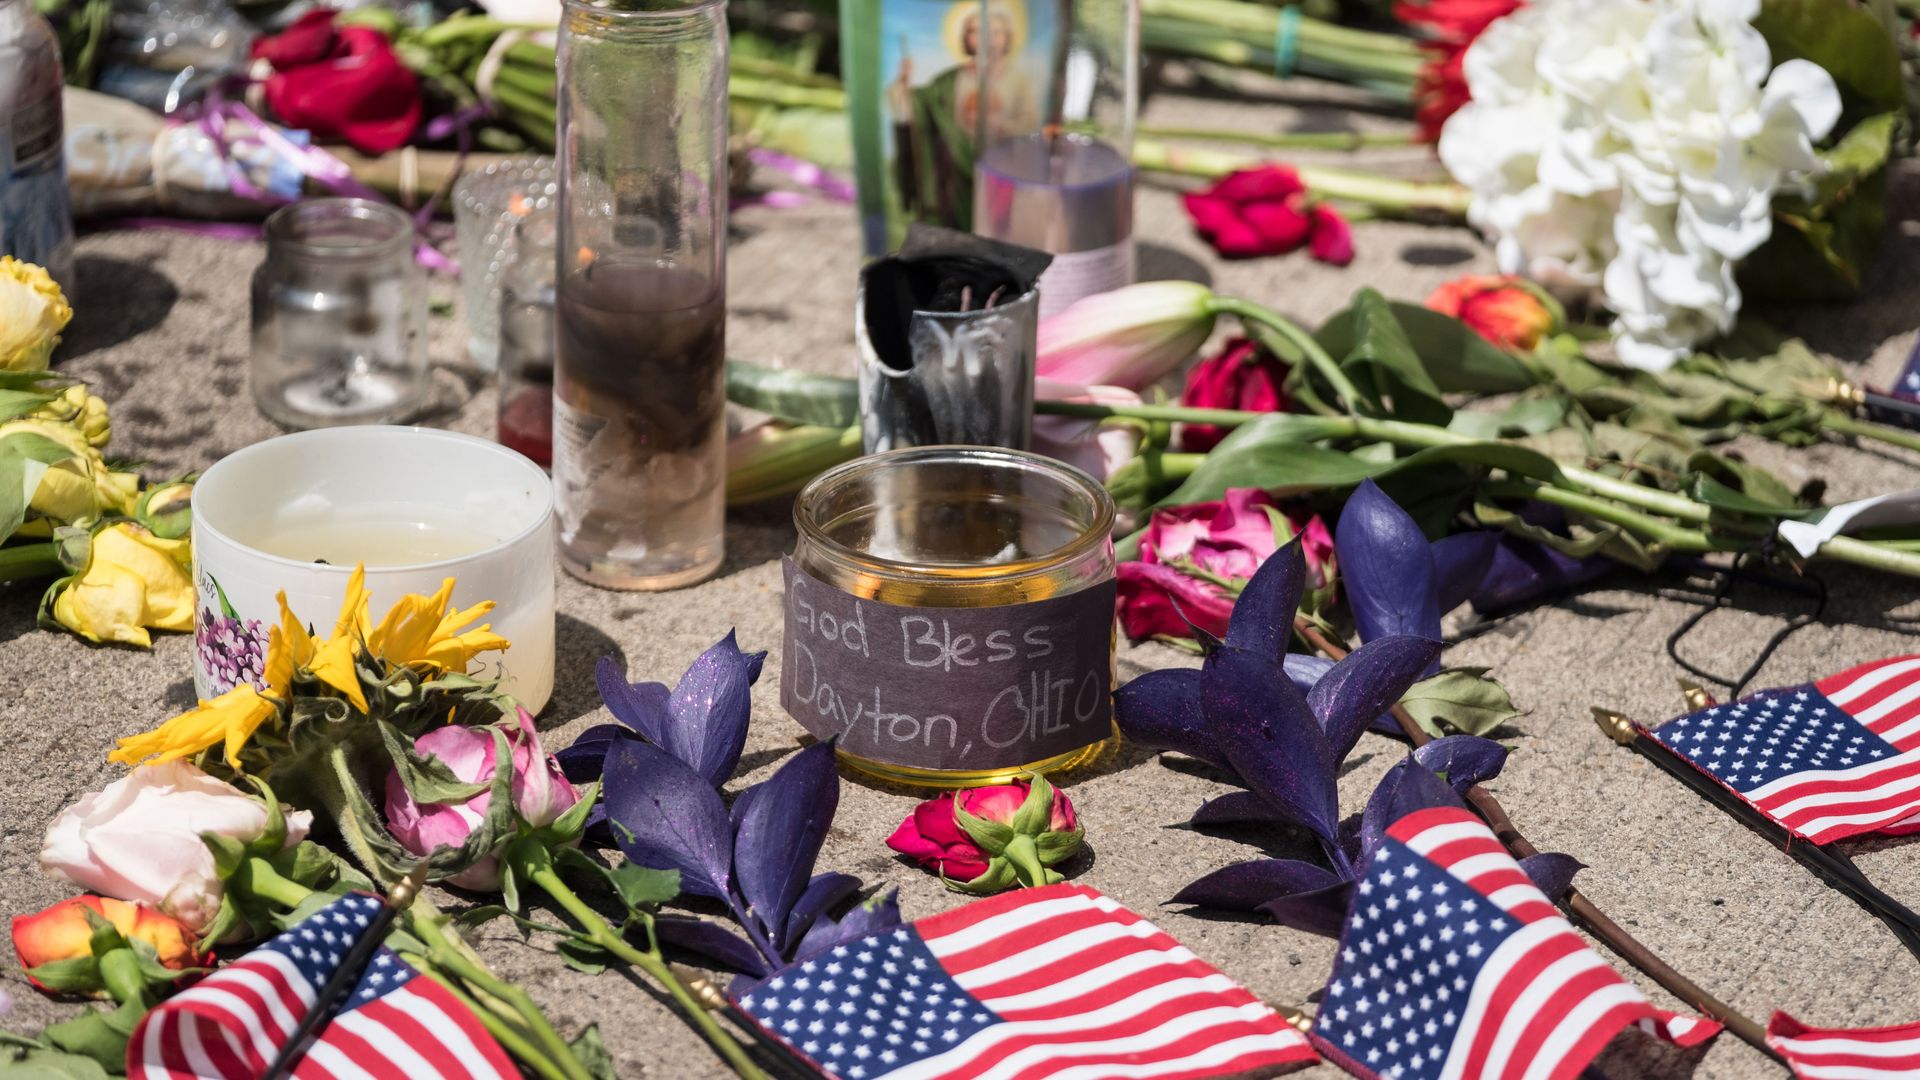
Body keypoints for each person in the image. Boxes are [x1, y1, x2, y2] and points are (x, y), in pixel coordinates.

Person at [887, 0, 1036, 231]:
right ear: (966, 38)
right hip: (954, 176)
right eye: (977, 31)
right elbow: (916, 108)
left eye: (996, 31)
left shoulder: (1018, 81)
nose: (987, 38)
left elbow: (1030, 124)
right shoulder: (948, 81)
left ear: (1007, 37)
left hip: (1001, 172)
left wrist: (1001, 125)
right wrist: (903, 84)